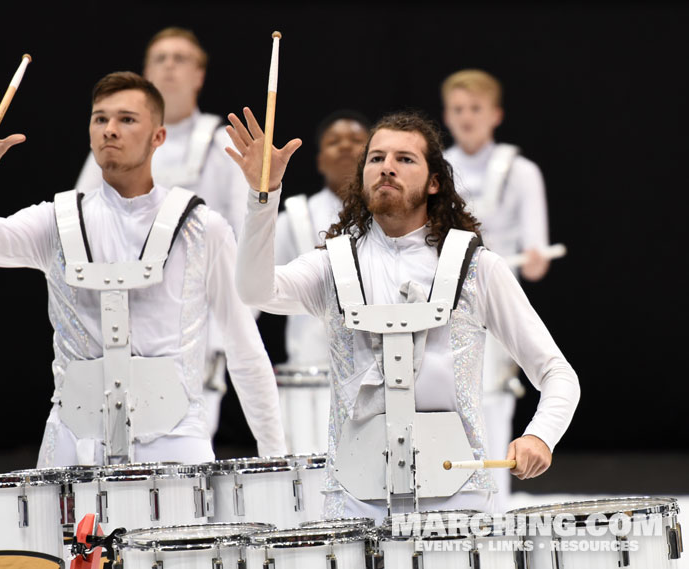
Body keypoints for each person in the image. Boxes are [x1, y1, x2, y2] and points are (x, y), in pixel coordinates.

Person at [226, 107, 580, 520]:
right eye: (376, 158)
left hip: (458, 501)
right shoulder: (333, 265)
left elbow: (558, 373)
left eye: (404, 159)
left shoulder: (477, 267)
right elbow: (254, 290)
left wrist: (540, 435)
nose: (387, 168)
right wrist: (262, 196)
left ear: (434, 182)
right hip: (353, 503)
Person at [0, 71, 286, 467]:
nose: (110, 130)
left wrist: (276, 459)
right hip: (72, 444)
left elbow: (245, 349)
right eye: (100, 119)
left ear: (158, 137)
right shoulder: (58, 220)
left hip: (175, 445)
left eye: (127, 119)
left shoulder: (203, 228)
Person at [75, 28, 250, 439]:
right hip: (115, 319)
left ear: (200, 75)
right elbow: (78, 228)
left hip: (194, 321)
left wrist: (227, 330)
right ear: (145, 72)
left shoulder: (223, 142)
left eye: (181, 58)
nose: (169, 66)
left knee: (179, 445)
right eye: (160, 58)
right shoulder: (110, 142)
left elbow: (244, 237)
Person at [442, 69, 552, 510]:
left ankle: (495, 507)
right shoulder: (438, 170)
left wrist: (536, 257)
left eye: (475, 109)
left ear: (496, 114)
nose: (466, 118)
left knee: (492, 402)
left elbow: (536, 248)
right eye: (457, 109)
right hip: (449, 303)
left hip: (500, 302)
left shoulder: (522, 171)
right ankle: (455, 504)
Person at [274, 110, 370, 369]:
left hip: (378, 364)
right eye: (333, 141)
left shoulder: (393, 215)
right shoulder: (294, 217)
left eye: (356, 139)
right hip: (311, 366)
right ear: (319, 161)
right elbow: (262, 287)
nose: (346, 146)